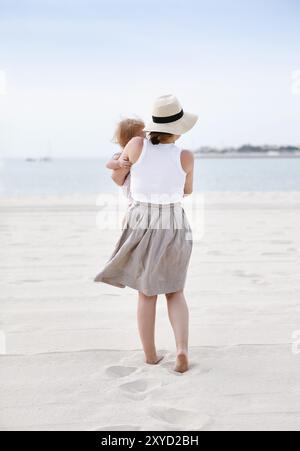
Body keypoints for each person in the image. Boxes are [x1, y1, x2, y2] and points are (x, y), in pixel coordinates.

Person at [95, 95, 198, 373]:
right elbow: (187, 191)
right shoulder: (186, 156)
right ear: (178, 129)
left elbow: (119, 175)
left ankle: (151, 356)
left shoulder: (136, 144)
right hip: (173, 221)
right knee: (175, 291)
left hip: (141, 218)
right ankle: (181, 350)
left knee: (146, 293)